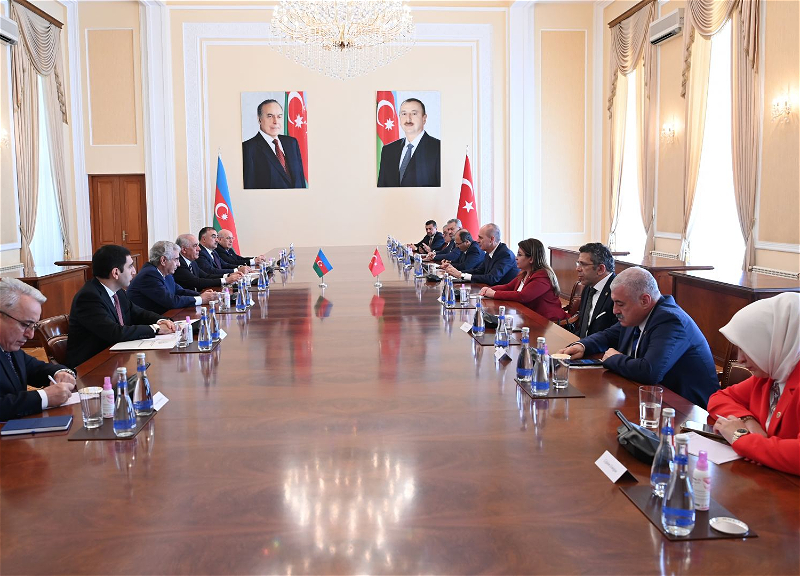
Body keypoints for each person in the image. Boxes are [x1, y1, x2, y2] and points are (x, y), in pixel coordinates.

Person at [558, 267, 718, 408]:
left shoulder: (670, 320)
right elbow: (608, 335)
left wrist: (613, 359)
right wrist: (582, 346)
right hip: (652, 398)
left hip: (687, 410)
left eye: (620, 304)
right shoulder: (639, 313)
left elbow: (649, 371)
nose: (615, 310)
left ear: (645, 300)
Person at [708, 293, 799, 475]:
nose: (740, 359)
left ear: (774, 341)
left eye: (747, 348)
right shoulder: (771, 375)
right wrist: (748, 421)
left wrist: (740, 437)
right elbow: (718, 398)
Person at [66, 245, 177, 369]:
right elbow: (114, 332)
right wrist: (155, 328)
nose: (134, 271)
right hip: (92, 366)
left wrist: (162, 321)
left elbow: (137, 313)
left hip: (116, 357)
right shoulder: (88, 297)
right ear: (115, 272)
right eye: (130, 266)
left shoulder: (118, 291)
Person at [0, 278, 76, 421]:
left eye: (33, 326)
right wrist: (44, 397)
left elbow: (36, 369)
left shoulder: (10, 346)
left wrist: (61, 373)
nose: (30, 335)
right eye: (25, 325)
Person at [479, 239, 568, 323]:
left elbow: (523, 296)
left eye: (519, 255)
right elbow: (508, 287)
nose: (516, 258)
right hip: (530, 317)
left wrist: (494, 294)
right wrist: (489, 289)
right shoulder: (524, 273)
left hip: (548, 322)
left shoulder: (543, 276)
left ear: (531, 259)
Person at [128, 241, 216, 314]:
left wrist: (201, 295)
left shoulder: (165, 272)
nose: (179, 264)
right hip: (148, 323)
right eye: (176, 259)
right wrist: (201, 299)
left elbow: (179, 291)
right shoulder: (149, 275)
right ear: (163, 260)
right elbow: (171, 301)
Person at [242, 99, 307, 189]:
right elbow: (249, 188)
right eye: (270, 116)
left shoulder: (292, 143)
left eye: (279, 117)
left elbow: (300, 180)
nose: (275, 121)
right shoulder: (248, 148)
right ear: (259, 119)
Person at [377, 98, 441, 187]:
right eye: (404, 114)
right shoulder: (388, 150)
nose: (408, 119)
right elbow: (381, 187)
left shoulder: (438, 148)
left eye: (414, 113)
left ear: (424, 118)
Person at [441, 223, 519, 286]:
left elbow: (492, 278)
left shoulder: (505, 254)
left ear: (492, 239)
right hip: (489, 291)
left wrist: (461, 275)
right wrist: (456, 273)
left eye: (480, 238)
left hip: (503, 297)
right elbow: (479, 271)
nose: (477, 240)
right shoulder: (489, 252)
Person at [575, 242, 617, 337]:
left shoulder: (617, 291)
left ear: (600, 269)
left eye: (583, 264)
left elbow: (616, 334)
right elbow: (583, 327)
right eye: (578, 263)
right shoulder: (588, 287)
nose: (578, 269)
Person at [174, 234, 242, 292]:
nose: (199, 249)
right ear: (184, 250)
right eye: (195, 246)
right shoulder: (179, 264)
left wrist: (228, 275)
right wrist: (225, 280)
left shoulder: (192, 261)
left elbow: (206, 276)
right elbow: (197, 282)